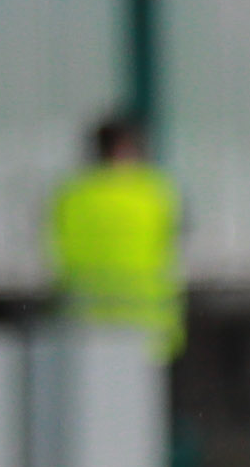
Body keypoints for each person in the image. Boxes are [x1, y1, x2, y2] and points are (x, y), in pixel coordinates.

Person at [46, 111, 181, 363]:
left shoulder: (71, 196)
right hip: (146, 323)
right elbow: (174, 242)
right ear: (126, 149)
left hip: (84, 322)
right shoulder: (153, 193)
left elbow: (54, 250)